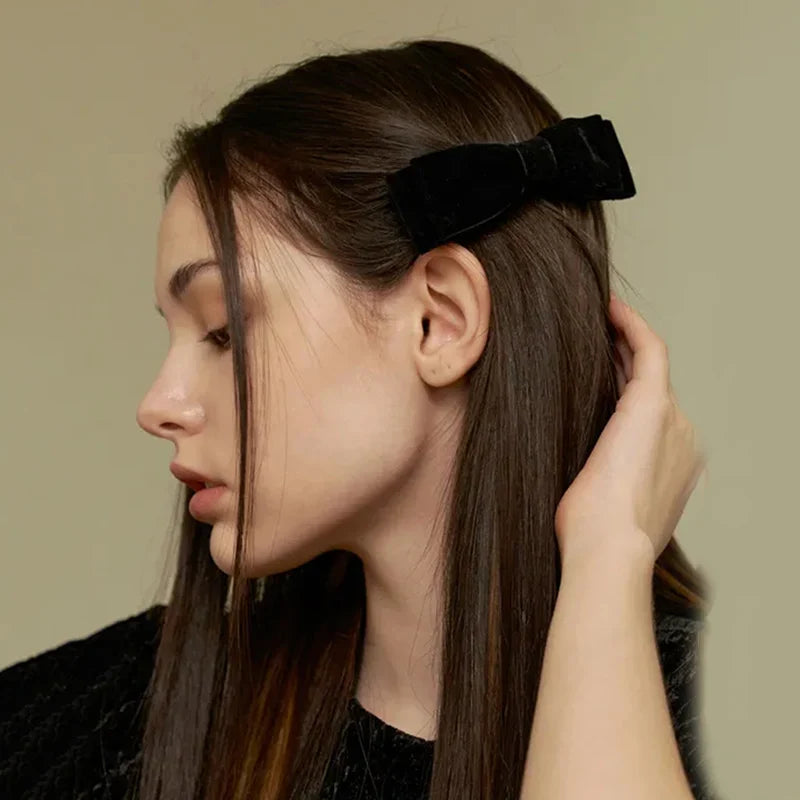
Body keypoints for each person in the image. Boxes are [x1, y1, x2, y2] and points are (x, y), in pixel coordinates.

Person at [0, 38, 720, 800]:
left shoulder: (718, 713)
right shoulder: (120, 715)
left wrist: (608, 554)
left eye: (223, 332)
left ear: (438, 322)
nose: (158, 405)